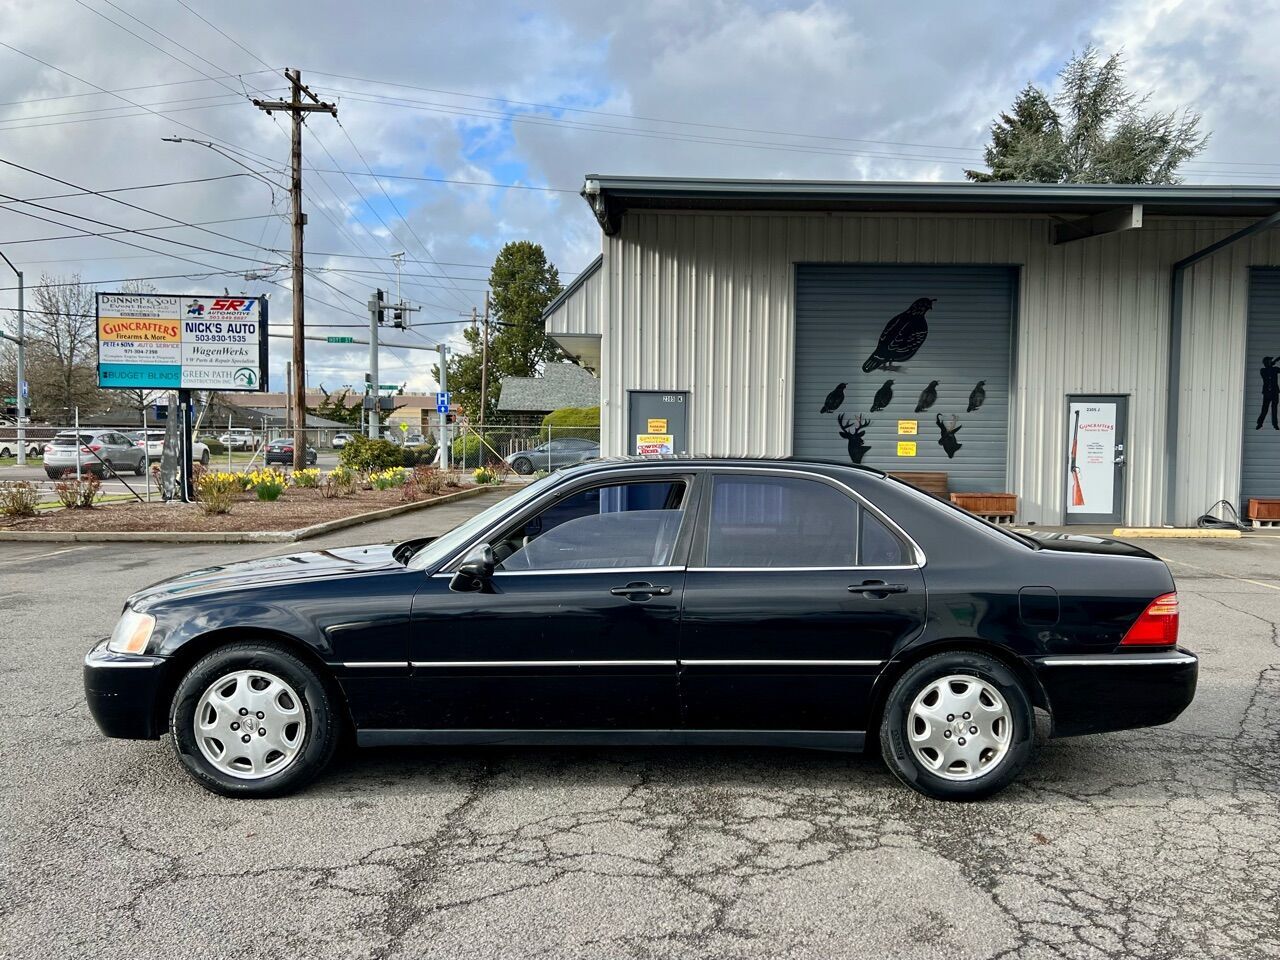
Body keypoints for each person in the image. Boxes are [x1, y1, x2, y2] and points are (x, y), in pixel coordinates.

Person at [1258, 356, 1279, 431]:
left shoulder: (1274, 369)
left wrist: (1274, 362)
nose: (1271, 361)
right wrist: (1274, 362)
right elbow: (1269, 371)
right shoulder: (1263, 370)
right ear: (1267, 363)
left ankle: (1275, 424)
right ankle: (1260, 423)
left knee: (1274, 409)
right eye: (1270, 361)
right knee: (1264, 409)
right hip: (1267, 393)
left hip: (1275, 392)